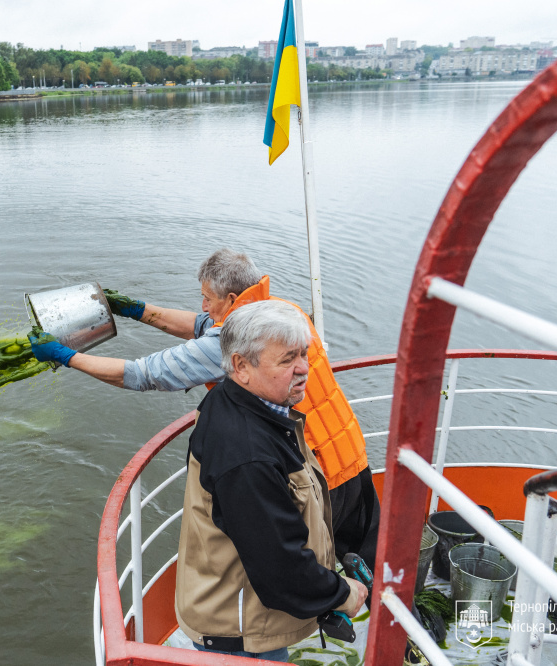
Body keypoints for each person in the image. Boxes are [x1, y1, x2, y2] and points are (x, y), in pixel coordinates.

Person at [28, 249, 379, 569]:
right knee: (367, 556)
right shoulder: (284, 310)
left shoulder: (236, 342)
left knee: (308, 564)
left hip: (318, 479)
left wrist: (69, 357)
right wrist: (136, 310)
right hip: (351, 455)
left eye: (207, 299)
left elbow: (140, 375)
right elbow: (203, 326)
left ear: (230, 298)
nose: (203, 306)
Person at [176, 300, 368, 660]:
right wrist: (342, 594)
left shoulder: (243, 404)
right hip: (238, 631)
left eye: (303, 354)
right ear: (241, 366)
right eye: (286, 360)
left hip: (245, 611)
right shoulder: (247, 454)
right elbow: (279, 564)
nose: (303, 369)